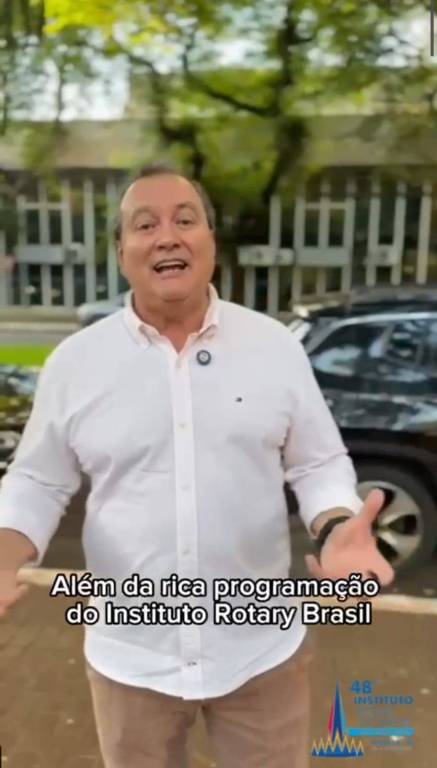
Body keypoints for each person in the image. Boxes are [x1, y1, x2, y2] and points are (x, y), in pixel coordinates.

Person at [0, 164, 394, 768]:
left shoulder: (274, 347)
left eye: (185, 220)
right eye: (145, 225)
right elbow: (38, 480)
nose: (167, 236)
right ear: (122, 253)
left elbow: (317, 463)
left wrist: (337, 525)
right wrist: (6, 550)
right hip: (132, 659)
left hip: (261, 654)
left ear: (210, 242)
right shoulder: (75, 364)